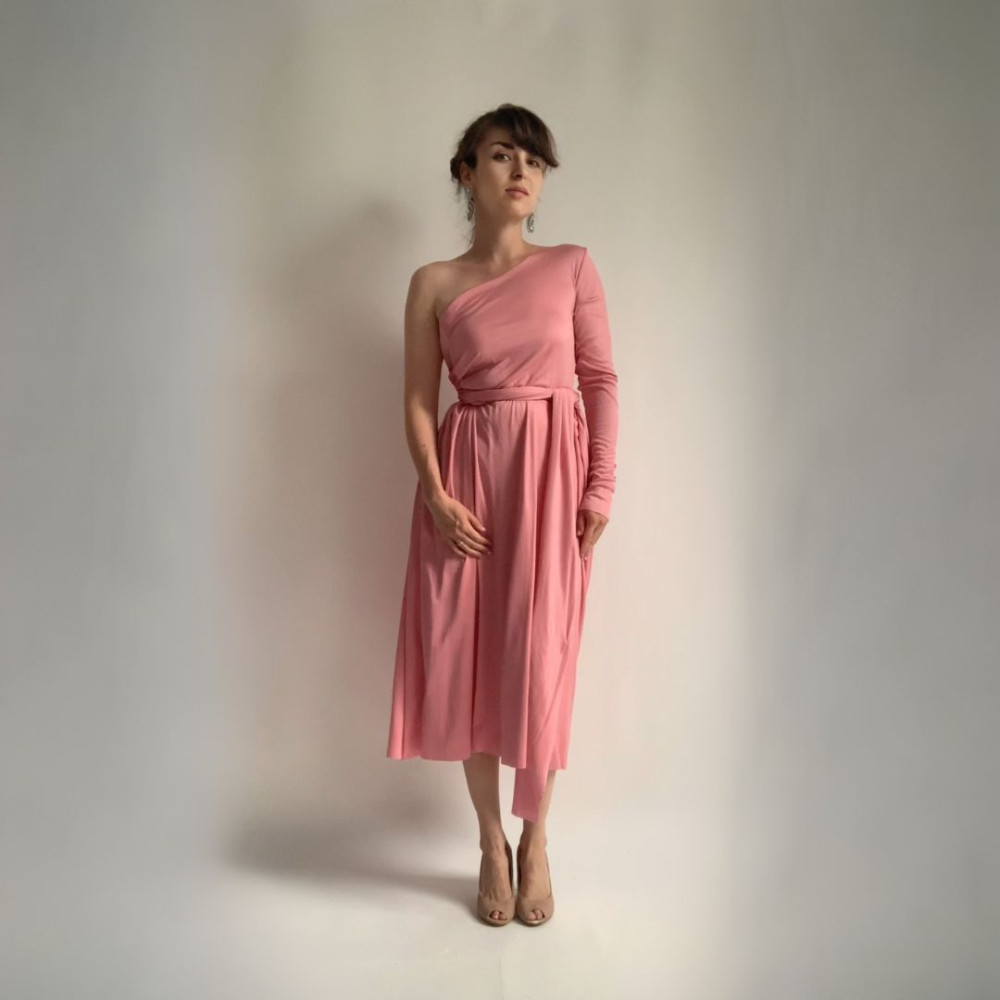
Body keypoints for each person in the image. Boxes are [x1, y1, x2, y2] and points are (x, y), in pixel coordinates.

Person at [385, 103, 620, 926]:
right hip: (465, 485)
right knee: (469, 659)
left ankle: (537, 837)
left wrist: (599, 487)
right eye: (501, 156)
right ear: (466, 174)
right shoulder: (433, 284)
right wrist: (434, 492)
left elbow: (600, 381)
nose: (521, 172)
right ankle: (490, 839)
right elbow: (420, 399)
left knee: (540, 656)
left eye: (534, 161)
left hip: (550, 482)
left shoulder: (572, 267)